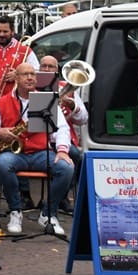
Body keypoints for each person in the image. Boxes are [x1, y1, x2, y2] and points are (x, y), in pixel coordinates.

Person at [0, 63, 74, 236]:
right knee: (3, 163)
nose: (30, 78)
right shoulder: (2, 102)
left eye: (32, 74)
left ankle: (48, 214)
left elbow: (62, 129)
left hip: (41, 153)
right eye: (25, 74)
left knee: (66, 168)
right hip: (15, 154)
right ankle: (15, 210)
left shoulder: (45, 101)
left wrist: (62, 150)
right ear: (16, 78)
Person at [39, 55, 88, 214]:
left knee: (75, 154)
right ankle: (25, 196)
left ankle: (63, 196)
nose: (47, 69)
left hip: (61, 139)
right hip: (37, 139)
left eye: (51, 66)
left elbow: (83, 119)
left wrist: (72, 106)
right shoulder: (31, 86)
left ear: (57, 70)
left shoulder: (66, 88)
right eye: (44, 66)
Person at [0, 15, 39, 99]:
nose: (1, 34)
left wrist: (18, 76)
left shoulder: (25, 50)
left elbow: (36, 74)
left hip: (16, 101)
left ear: (12, 32)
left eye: (5, 31)